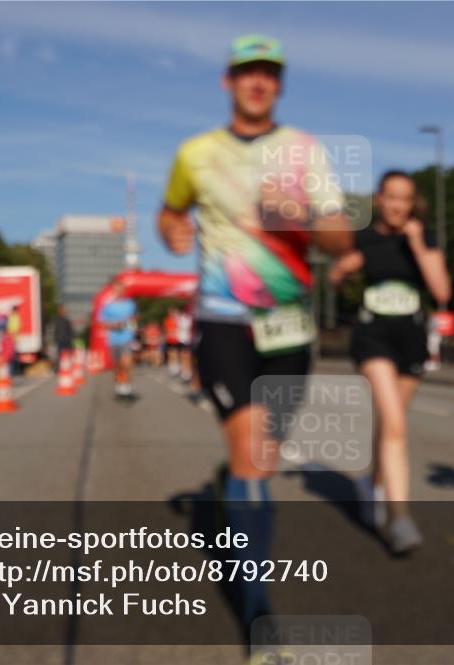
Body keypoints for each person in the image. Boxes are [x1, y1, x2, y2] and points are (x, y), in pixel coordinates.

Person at [158, 33, 352, 634]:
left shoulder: (304, 150)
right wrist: (173, 233)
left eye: (269, 72)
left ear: (280, 84)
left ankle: (231, 488)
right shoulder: (195, 153)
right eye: (248, 72)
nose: (258, 82)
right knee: (249, 454)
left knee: (261, 461)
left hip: (288, 322)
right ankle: (256, 609)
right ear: (228, 81)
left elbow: (342, 239)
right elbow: (171, 211)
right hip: (221, 319)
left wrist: (303, 218)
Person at [329, 170, 451, 554]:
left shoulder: (423, 237)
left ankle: (372, 483)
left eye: (405, 198)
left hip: (411, 340)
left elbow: (442, 291)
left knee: (391, 423)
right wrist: (342, 270)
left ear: (413, 203)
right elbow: (334, 275)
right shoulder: (363, 237)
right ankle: (399, 518)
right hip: (373, 336)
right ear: (379, 199)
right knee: (395, 422)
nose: (398, 205)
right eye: (391, 197)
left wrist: (418, 246)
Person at [98, 282, 138, 399]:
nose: (119, 292)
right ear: (114, 291)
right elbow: (102, 323)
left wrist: (128, 324)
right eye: (117, 290)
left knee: (127, 363)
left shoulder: (130, 304)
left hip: (127, 338)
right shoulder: (108, 306)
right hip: (114, 340)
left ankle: (126, 383)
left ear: (124, 291)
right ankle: (119, 382)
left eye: (121, 290)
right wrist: (113, 325)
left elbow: (135, 319)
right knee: (117, 366)